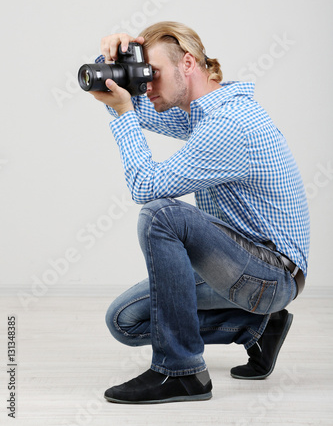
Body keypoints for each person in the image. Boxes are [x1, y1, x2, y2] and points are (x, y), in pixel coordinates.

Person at [88, 21, 310, 404]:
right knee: (125, 321)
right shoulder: (202, 112)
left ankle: (182, 371)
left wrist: (123, 111)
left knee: (162, 215)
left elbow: (146, 187)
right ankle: (257, 329)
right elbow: (133, 105)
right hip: (237, 265)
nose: (146, 86)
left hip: (271, 275)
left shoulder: (228, 123)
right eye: (143, 75)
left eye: (152, 73)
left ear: (187, 63)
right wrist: (109, 60)